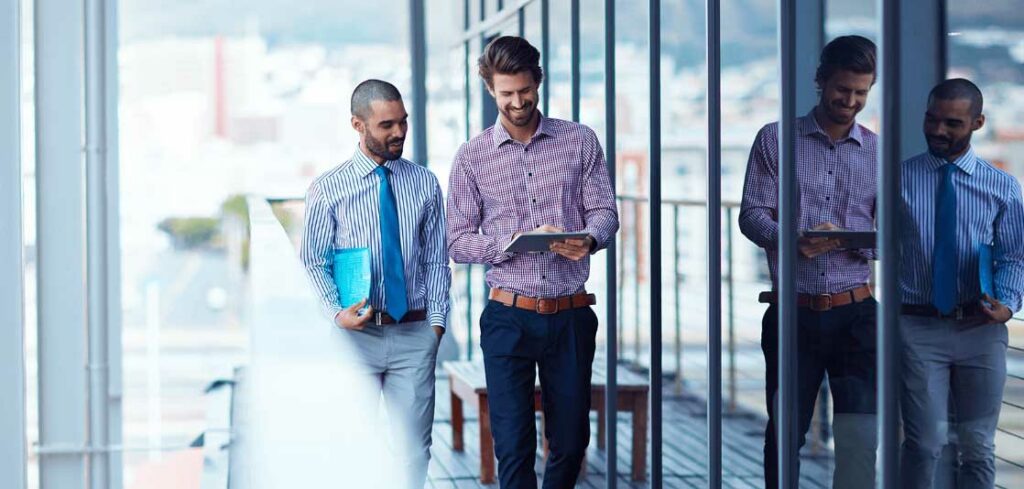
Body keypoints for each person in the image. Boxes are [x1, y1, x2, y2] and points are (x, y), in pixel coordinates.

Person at [446, 36, 618, 489]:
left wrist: (589, 238)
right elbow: (458, 241)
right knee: (513, 445)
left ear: (538, 81)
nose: (518, 102)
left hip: (571, 314)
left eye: (525, 90)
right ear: (490, 90)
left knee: (571, 441)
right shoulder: (471, 157)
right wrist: (517, 243)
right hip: (508, 316)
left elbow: (605, 212)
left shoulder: (579, 140)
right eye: (506, 94)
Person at [738, 35, 880, 489]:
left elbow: (893, 237)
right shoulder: (775, 140)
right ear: (820, 82)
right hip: (791, 316)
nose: (851, 101)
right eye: (842, 89)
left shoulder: (877, 152)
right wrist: (791, 241)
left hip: (857, 314)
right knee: (784, 434)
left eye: (861, 92)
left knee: (859, 438)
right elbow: (751, 214)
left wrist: (862, 243)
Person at [300, 79, 451, 489]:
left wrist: (435, 326)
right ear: (358, 125)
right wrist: (335, 312)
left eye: (403, 122)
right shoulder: (328, 188)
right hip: (356, 340)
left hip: (414, 334)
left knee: (413, 451)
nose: (399, 133)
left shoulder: (425, 183)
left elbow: (437, 259)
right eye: (387, 125)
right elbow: (313, 262)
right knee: (354, 448)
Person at [898, 78, 1024, 489]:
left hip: (981, 330)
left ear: (977, 122)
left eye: (952, 123)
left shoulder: (1002, 186)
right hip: (918, 327)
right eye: (931, 120)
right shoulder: (897, 180)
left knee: (977, 446)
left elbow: (1013, 256)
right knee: (924, 443)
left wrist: (1007, 303)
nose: (938, 131)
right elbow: (873, 245)